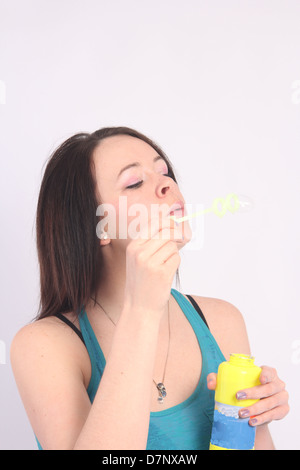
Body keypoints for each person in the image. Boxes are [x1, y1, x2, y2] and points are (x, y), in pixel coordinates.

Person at [11, 127, 289, 450]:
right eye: (134, 182)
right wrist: (142, 309)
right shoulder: (44, 346)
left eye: (164, 172)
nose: (167, 184)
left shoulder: (223, 321)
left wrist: (256, 422)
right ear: (99, 227)